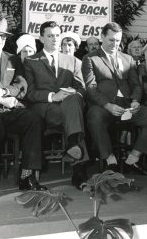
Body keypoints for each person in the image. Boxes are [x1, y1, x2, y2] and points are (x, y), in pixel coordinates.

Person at [82, 22, 147, 175]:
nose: (114, 44)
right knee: (94, 117)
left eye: (118, 40)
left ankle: (132, 159)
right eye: (111, 40)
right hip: (104, 106)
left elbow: (136, 85)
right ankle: (111, 161)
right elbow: (91, 87)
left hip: (127, 105)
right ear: (102, 37)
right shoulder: (90, 58)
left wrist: (135, 100)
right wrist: (108, 105)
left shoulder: (127, 59)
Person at [0, 17, 46, 199]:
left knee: (33, 119)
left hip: (8, 109)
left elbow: (21, 84)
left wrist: (3, 92)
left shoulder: (12, 59)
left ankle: (27, 176)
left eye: (3, 36)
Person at [24, 21, 88, 189]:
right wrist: (53, 96)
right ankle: (78, 169)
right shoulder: (31, 61)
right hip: (44, 107)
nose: (55, 39)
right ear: (41, 38)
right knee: (75, 119)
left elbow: (82, 87)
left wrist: (75, 94)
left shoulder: (72, 60)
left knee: (73, 101)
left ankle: (74, 146)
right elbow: (30, 93)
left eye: (57, 35)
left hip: (69, 107)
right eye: (50, 35)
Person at [127, 40, 147, 108]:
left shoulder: (146, 63)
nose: (137, 49)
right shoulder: (125, 62)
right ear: (129, 50)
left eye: (139, 47)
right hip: (131, 99)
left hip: (146, 97)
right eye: (134, 47)